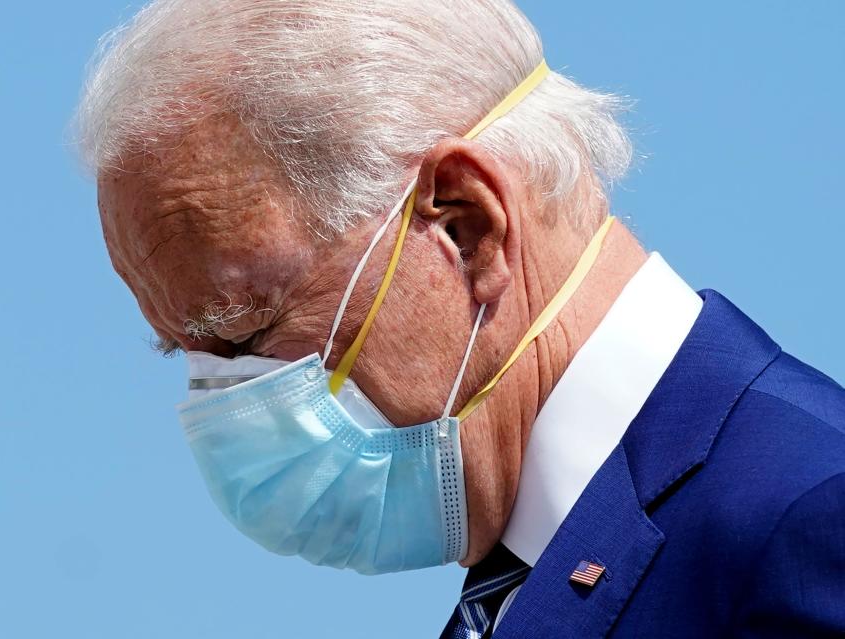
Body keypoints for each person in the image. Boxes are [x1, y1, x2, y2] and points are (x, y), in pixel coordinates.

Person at [73, 1, 845, 636]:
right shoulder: (525, 577)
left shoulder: (809, 518)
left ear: (465, 226)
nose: (227, 403)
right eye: (188, 351)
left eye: (243, 332)